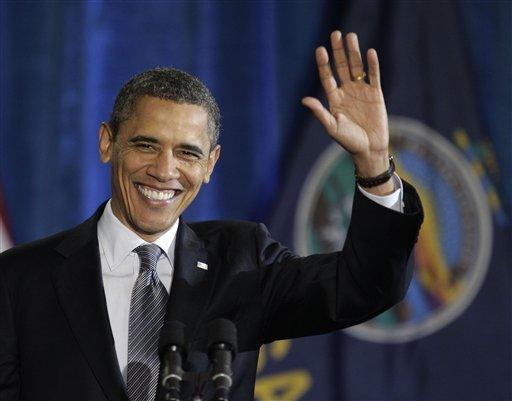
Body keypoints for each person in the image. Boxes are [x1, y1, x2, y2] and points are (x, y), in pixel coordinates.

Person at [0, 31, 422, 401]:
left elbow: (364, 288)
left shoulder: (241, 262)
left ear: (210, 165)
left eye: (187, 153)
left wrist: (373, 166)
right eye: (146, 145)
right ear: (108, 142)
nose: (165, 171)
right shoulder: (19, 280)